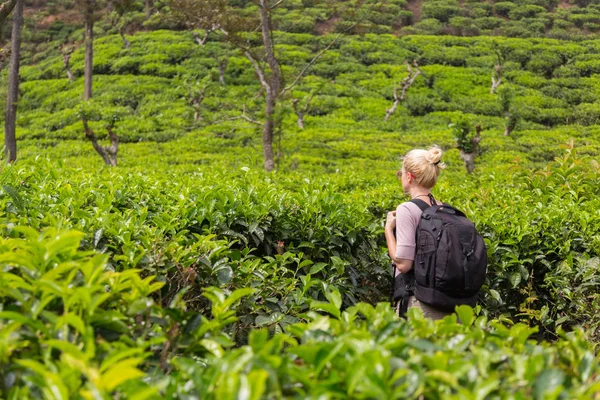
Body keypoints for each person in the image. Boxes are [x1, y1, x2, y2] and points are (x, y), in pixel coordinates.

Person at [384, 146, 452, 320]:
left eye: (401, 174)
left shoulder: (407, 209)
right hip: (450, 304)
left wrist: (388, 230)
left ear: (409, 176)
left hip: (419, 304)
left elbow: (403, 264)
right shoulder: (444, 208)